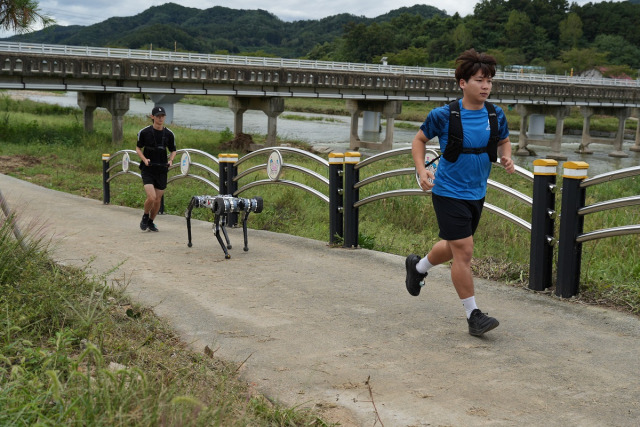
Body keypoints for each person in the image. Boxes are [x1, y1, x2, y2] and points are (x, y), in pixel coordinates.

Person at [405, 49, 515, 337]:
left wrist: (506, 157)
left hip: (477, 192)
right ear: (462, 83)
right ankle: (473, 315)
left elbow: (504, 141)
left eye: (489, 80)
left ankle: (418, 267)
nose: (486, 86)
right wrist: (421, 170)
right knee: (464, 251)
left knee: (454, 245)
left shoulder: (495, 114)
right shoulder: (443, 115)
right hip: (448, 191)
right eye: (480, 80)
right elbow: (419, 141)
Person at [135, 106, 177, 232]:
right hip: (148, 169)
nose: (160, 118)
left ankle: (151, 222)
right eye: (158, 116)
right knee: (151, 197)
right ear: (152, 117)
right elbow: (138, 148)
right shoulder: (144, 132)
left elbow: (173, 150)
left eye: (162, 116)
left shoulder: (169, 134)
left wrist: (170, 160)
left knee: (158, 199)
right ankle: (145, 215)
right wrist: (144, 159)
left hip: (162, 169)